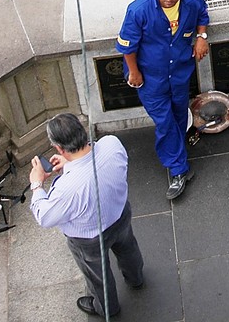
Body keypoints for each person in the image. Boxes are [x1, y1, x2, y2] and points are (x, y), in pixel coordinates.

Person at [29, 113, 145, 319]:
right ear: (81, 132)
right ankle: (136, 279)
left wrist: (37, 184)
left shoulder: (67, 188)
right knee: (129, 249)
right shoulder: (112, 144)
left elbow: (44, 217)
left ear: (59, 148)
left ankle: (107, 308)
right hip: (120, 214)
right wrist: (69, 162)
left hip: (89, 238)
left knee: (98, 276)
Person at [117, 0, 209, 200]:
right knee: (165, 121)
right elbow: (127, 46)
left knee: (179, 114)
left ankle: (175, 150)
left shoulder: (193, 1)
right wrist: (134, 73)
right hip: (150, 78)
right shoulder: (139, 10)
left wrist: (201, 37)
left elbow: (202, 15)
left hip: (179, 72)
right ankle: (179, 170)